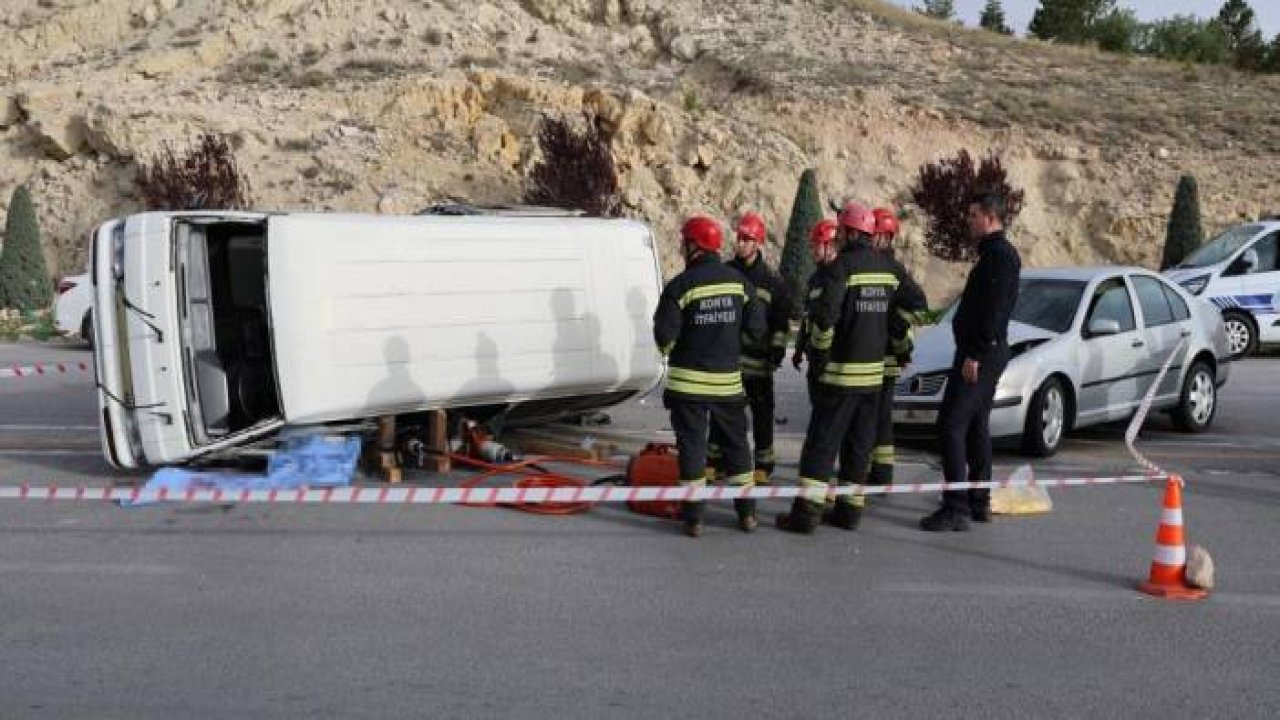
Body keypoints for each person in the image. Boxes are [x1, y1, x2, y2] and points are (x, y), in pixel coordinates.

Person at [776, 202, 913, 534]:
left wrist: (820, 360)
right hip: (873, 379)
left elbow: (824, 322)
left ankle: (806, 514)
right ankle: (849, 512)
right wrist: (896, 338)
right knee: (858, 446)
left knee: (822, 444)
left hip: (839, 377)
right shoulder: (890, 270)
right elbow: (916, 307)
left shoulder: (841, 268)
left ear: (850, 232)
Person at [653, 216, 767, 537]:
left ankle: (695, 519)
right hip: (727, 383)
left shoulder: (680, 286)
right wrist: (728, 343)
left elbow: (664, 338)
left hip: (687, 385)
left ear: (694, 246)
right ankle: (747, 514)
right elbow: (757, 331)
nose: (681, 247)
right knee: (736, 446)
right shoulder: (740, 283)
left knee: (692, 447)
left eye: (684, 242)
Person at [919, 191, 1021, 532]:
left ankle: (956, 506)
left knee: (950, 425)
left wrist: (976, 353)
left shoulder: (1000, 257)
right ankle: (979, 501)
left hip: (982, 353)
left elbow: (993, 310)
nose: (969, 220)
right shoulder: (993, 255)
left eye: (974, 215)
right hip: (981, 351)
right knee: (976, 425)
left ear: (990, 217)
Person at [715, 211, 792, 486]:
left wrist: (776, 351)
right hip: (728, 359)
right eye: (739, 238)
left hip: (759, 362)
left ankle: (763, 464)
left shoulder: (772, 282)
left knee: (761, 415)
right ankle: (716, 461)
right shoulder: (725, 273)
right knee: (723, 412)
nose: (741, 243)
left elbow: (781, 323)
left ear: (758, 243)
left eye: (747, 239)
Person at [866, 208, 927, 492]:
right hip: (872, 354)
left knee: (877, 415)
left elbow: (919, 307)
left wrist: (895, 327)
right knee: (877, 416)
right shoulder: (875, 266)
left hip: (886, 356)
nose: (870, 239)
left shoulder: (895, 270)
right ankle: (878, 470)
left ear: (887, 238)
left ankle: (878, 470)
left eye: (875, 234)